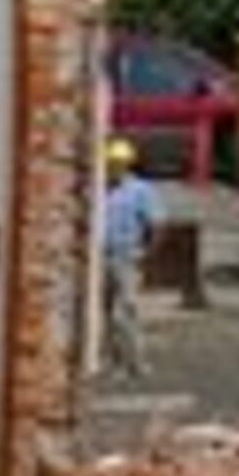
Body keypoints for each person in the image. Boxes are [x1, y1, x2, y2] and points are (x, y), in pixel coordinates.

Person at [99, 138, 161, 375]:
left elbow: (156, 224)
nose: (115, 168)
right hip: (102, 254)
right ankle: (112, 359)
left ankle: (136, 361)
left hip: (126, 254)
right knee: (104, 310)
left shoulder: (140, 191)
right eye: (112, 164)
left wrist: (146, 254)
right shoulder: (101, 189)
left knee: (127, 309)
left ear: (127, 165)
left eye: (119, 164)